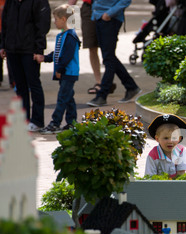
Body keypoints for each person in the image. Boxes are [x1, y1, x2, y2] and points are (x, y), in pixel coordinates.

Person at [0, 0, 51, 132]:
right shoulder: (10, 2)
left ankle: (37, 121)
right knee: (20, 87)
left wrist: (39, 49)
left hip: (30, 50)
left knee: (34, 85)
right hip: (12, 49)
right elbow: (5, 22)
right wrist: (3, 45)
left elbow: (43, 24)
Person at [35, 4, 81, 134]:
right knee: (68, 98)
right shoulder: (62, 36)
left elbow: (67, 56)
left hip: (68, 72)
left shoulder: (71, 36)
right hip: (65, 72)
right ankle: (72, 123)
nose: (54, 22)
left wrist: (59, 69)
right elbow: (58, 53)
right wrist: (45, 58)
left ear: (64, 19)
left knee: (62, 98)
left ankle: (55, 123)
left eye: (56, 19)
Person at [87, 0, 141, 107]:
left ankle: (102, 95)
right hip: (98, 16)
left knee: (108, 58)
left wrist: (109, 13)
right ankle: (131, 87)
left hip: (110, 19)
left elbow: (126, 0)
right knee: (109, 57)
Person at [67, 0, 116, 95]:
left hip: (107, 7)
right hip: (89, 8)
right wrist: (70, 20)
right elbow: (72, 2)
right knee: (91, 46)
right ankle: (99, 82)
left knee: (108, 47)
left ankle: (108, 80)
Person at [145, 114, 186, 178]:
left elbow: (181, 174)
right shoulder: (153, 155)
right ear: (157, 139)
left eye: (174, 138)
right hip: (158, 186)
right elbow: (149, 177)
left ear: (179, 139)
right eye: (166, 138)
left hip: (176, 185)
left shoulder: (181, 151)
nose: (170, 141)